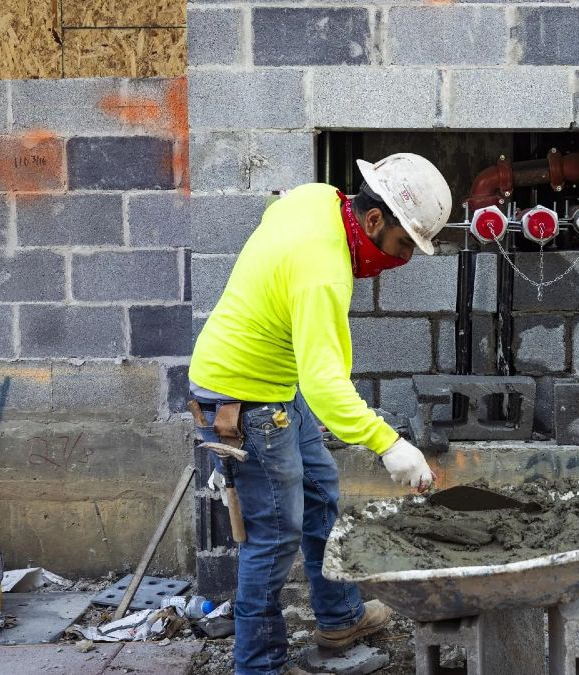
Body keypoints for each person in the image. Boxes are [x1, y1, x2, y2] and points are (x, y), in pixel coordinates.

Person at [187, 153, 452, 675]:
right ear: (374, 220)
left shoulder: (318, 198)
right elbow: (327, 387)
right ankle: (258, 665)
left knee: (319, 493)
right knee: (274, 537)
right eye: (402, 246)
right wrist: (390, 446)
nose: (400, 260)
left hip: (275, 384)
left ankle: (340, 616)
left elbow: (273, 213)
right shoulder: (324, 270)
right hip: (245, 398)